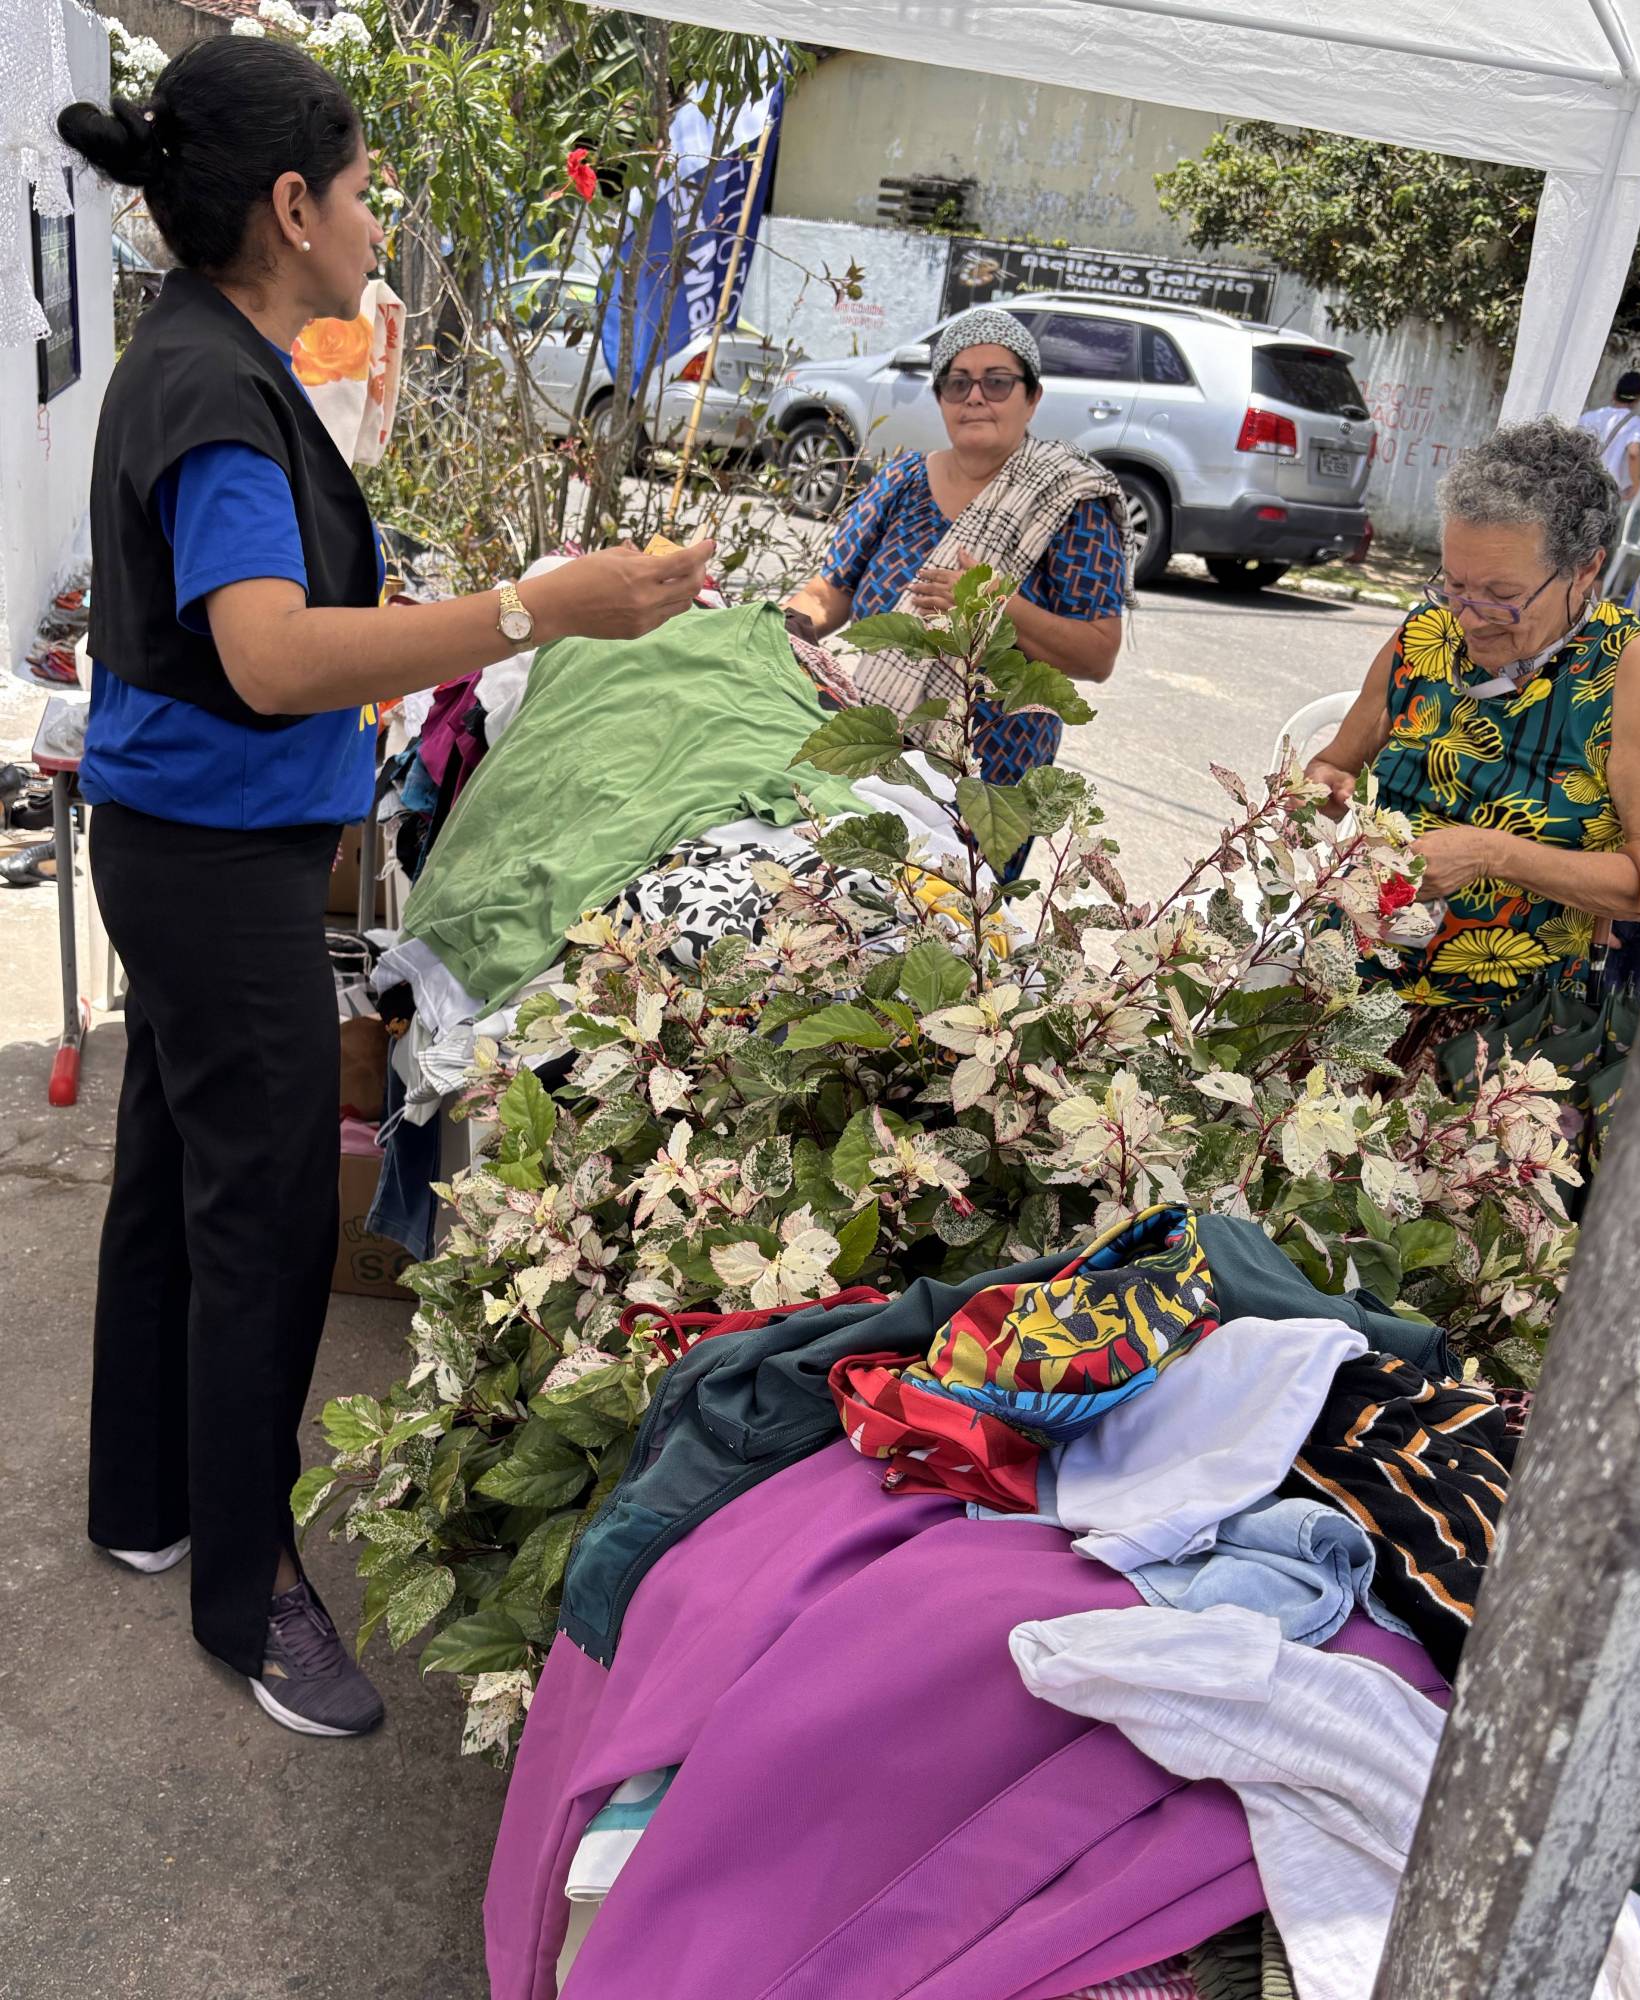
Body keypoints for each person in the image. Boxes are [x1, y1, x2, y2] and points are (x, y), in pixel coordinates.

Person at [57, 39, 712, 1738]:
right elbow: (271, 658)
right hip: (211, 860)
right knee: (263, 1210)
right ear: (291, 204)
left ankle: (144, 1503)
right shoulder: (212, 384)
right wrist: (533, 608)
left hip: (189, 837)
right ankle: (246, 1589)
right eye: (359, 188)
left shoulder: (211, 353)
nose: (377, 212)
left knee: (172, 1177)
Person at [1308, 418, 1640, 1019]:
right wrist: (1325, 787)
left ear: (1586, 569)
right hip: (1346, 972)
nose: (1468, 615)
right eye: (1455, 585)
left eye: (1501, 594)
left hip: (1501, 1031)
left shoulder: (1632, 666)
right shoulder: (1424, 633)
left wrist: (1491, 853)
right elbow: (1336, 764)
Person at [782, 309, 1130, 803]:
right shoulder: (901, 482)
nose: (975, 397)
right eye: (957, 382)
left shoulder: (1071, 503)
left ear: (1032, 398)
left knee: (949, 885)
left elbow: (1097, 654)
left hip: (993, 786)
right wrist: (768, 637)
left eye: (997, 382)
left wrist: (994, 608)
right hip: (875, 753)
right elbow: (830, 591)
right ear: (940, 396)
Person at [1577, 369, 1640, 503]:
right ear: (1638, 398)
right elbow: (1634, 453)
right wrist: (1636, 485)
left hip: (1581, 483)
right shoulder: (1636, 423)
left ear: (1614, 394)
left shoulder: (1588, 417)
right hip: (1607, 491)